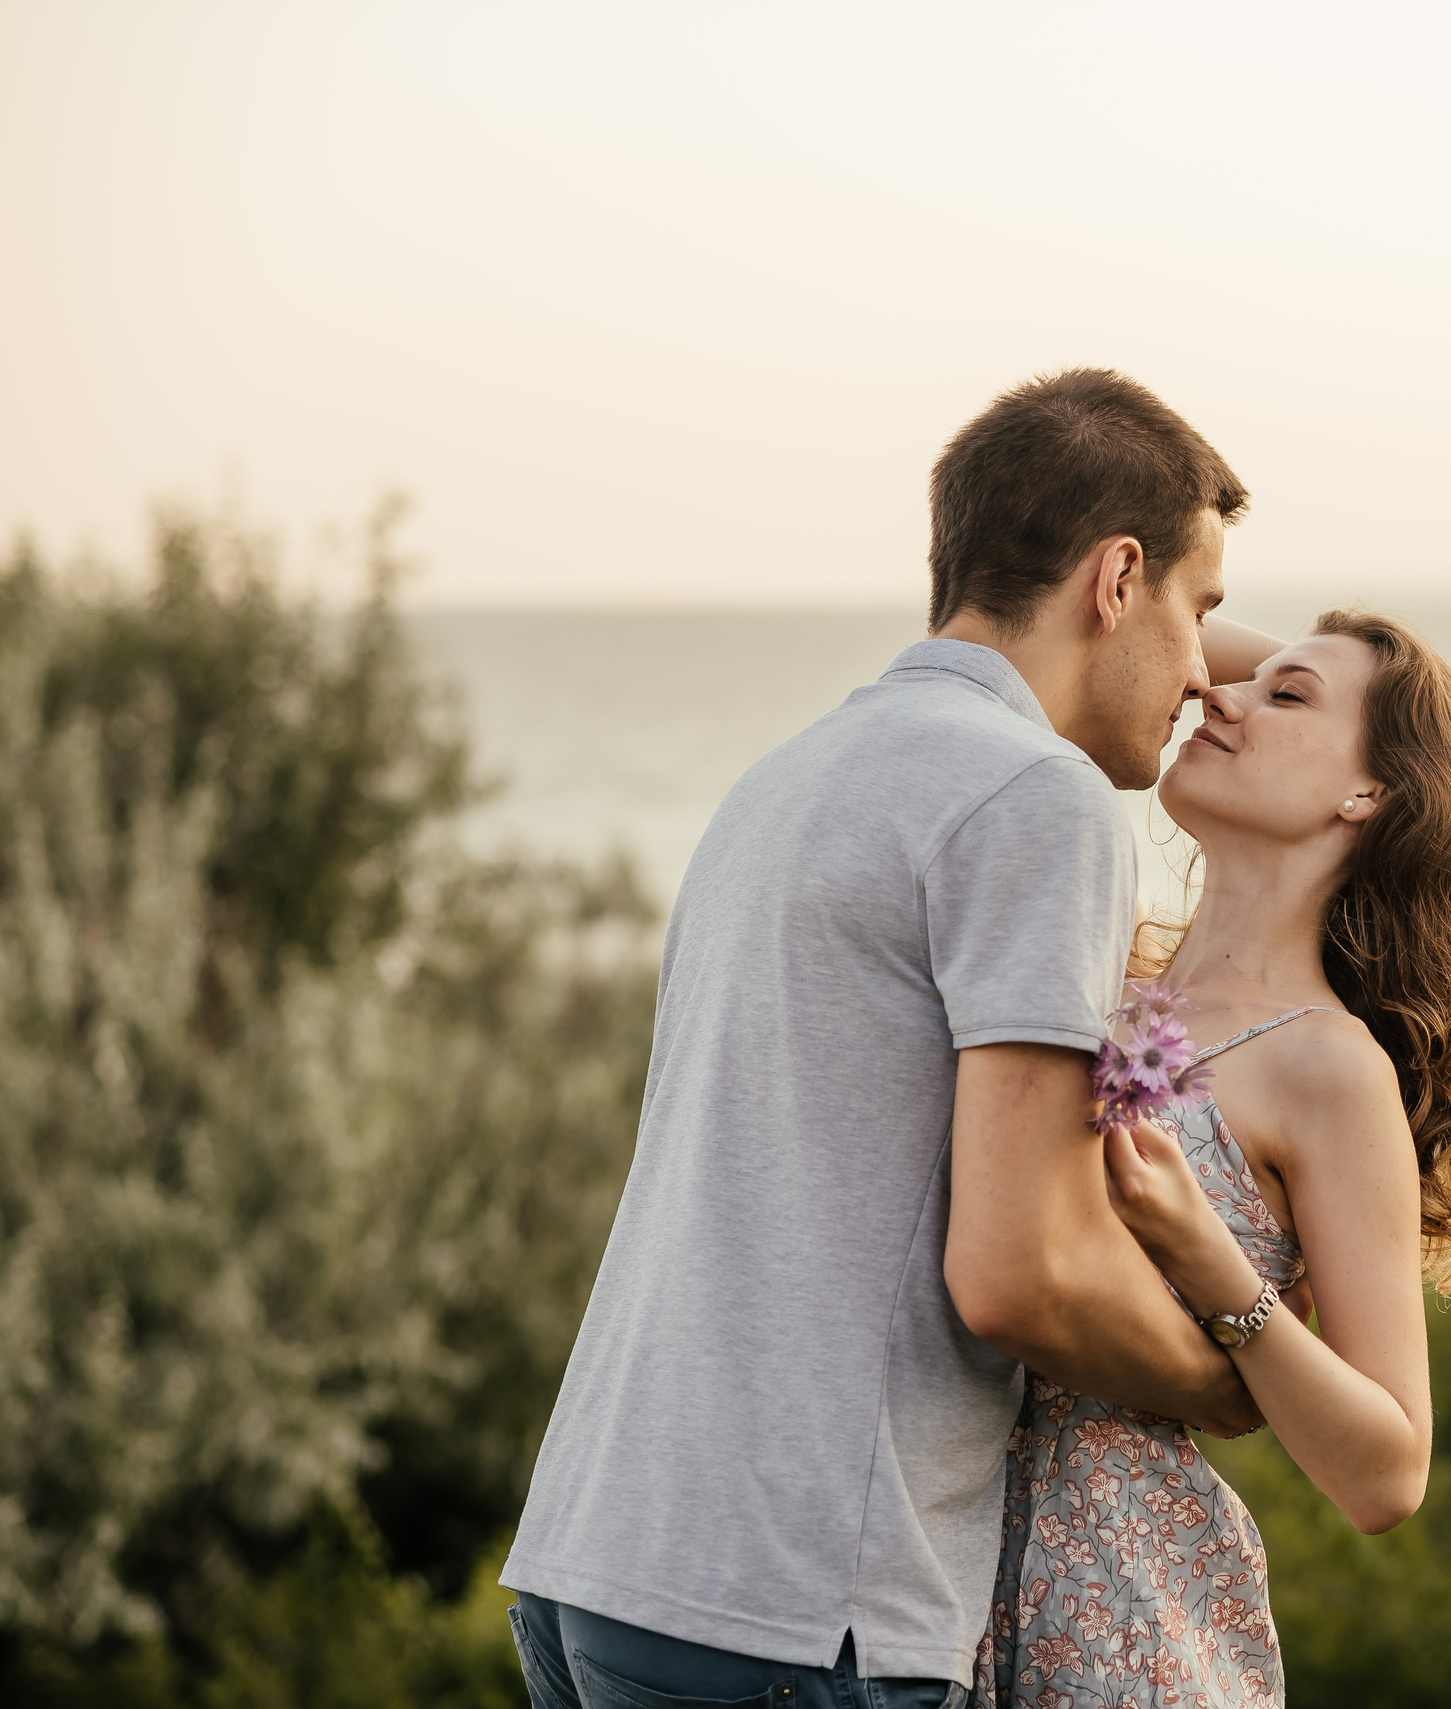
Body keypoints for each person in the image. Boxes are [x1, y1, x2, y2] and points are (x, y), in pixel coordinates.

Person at [501, 369, 1289, 1709]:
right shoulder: (1035, 796)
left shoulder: (790, 777)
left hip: (596, 1559)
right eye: (1200, 608)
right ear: (1116, 579)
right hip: (798, 1608)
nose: (1209, 665)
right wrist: (1227, 1380)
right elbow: (1013, 1270)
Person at [970, 611, 1451, 1709]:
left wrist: (1211, 1263)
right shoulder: (1093, 970)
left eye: (1284, 696)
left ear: (1367, 795)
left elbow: (1388, 1471)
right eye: (1231, 678)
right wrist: (1198, 628)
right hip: (927, 1579)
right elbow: (1128, 599)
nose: (1218, 692)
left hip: (1122, 1616)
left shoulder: (1327, 1069)